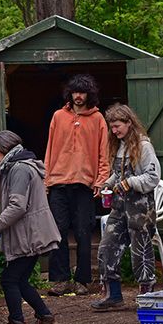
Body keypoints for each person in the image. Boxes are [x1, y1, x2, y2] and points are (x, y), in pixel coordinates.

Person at [0, 130, 62, 324]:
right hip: (30, 232)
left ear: (5, 149)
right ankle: (46, 319)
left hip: (30, 235)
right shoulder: (16, 167)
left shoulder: (19, 169)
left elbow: (17, 207)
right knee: (20, 279)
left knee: (10, 279)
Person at [44, 74, 110, 296]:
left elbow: (104, 152)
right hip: (58, 182)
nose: (78, 96)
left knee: (83, 232)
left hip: (85, 184)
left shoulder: (98, 119)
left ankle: (83, 280)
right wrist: (46, 179)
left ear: (89, 95)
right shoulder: (58, 116)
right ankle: (60, 280)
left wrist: (101, 179)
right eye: (75, 92)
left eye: (82, 93)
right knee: (58, 231)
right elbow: (50, 148)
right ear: (69, 94)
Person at [92, 104, 161, 311]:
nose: (114, 131)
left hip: (140, 208)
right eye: (112, 127)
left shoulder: (143, 146)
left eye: (117, 126)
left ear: (129, 123)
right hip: (119, 207)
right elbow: (118, 173)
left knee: (141, 250)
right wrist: (107, 184)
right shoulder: (120, 145)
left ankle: (147, 295)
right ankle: (113, 295)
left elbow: (153, 176)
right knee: (107, 246)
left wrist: (131, 183)